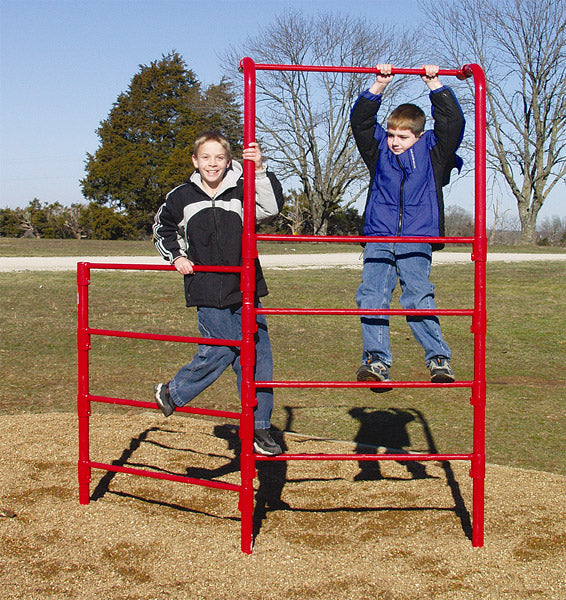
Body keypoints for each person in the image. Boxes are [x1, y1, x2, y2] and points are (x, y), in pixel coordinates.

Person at [152, 130, 284, 455]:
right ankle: (173, 392)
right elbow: (161, 227)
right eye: (206, 158)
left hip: (247, 285)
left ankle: (259, 428)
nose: (213, 164)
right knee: (223, 349)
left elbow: (271, 208)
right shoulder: (181, 196)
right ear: (195, 161)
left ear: (228, 161)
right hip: (207, 286)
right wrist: (178, 257)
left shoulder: (242, 188)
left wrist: (261, 169)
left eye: (219, 158)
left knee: (258, 357)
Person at [350, 64, 465, 388]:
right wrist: (378, 85)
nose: (395, 141)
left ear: (418, 135)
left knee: (417, 296)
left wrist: (435, 84)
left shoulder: (433, 153)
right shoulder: (379, 152)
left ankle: (438, 359)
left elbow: (452, 123)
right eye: (391, 134)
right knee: (371, 295)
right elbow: (360, 122)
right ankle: (376, 362)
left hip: (417, 235)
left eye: (403, 136)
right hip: (379, 236)